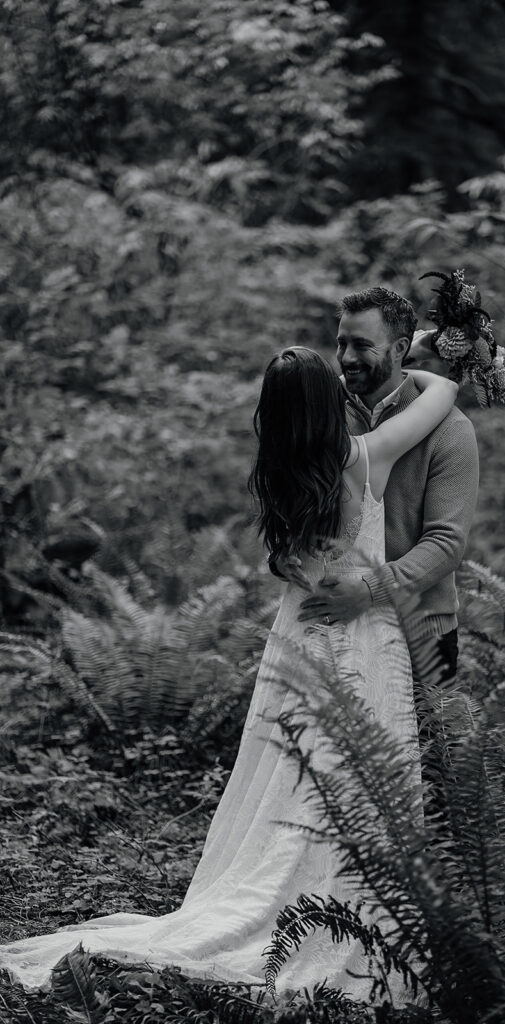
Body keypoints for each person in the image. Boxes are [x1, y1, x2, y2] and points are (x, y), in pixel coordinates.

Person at [0, 346, 458, 1003]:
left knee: (295, 779)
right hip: (359, 640)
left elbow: (299, 567)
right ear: (330, 406)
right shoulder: (365, 455)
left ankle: (298, 898)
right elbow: (441, 391)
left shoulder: (279, 472)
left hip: (299, 639)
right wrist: (411, 359)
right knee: (364, 776)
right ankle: (358, 918)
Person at [276, 287, 479, 685]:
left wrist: (369, 591)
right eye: (341, 344)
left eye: (362, 345)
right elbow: (289, 501)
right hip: (326, 628)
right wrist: (280, 553)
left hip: (419, 632)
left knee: (420, 746)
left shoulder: (451, 430)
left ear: (401, 347)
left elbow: (445, 543)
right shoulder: (321, 415)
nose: (348, 358)